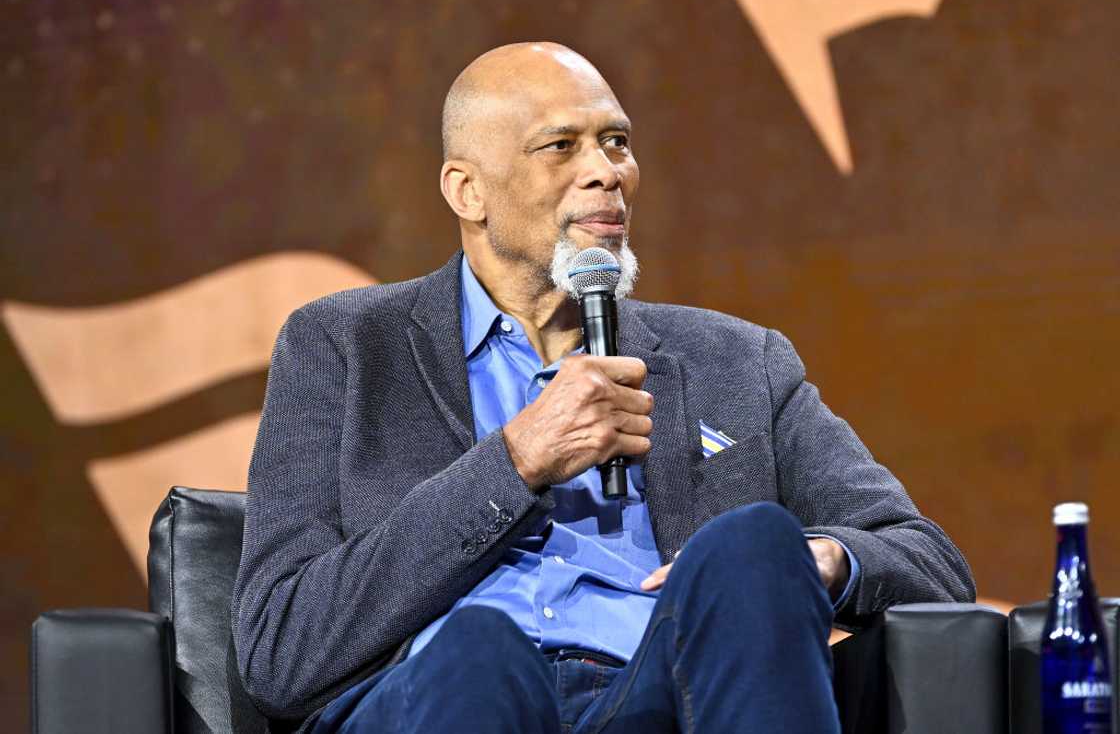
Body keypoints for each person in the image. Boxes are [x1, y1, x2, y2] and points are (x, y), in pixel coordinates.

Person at [231, 42, 974, 733]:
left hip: (657, 691)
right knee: (480, 648)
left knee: (751, 544)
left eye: (616, 141)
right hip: (454, 694)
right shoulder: (345, 345)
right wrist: (514, 462)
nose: (607, 172)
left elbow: (930, 564)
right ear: (467, 191)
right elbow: (279, 651)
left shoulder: (735, 360)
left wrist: (817, 560)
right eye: (561, 146)